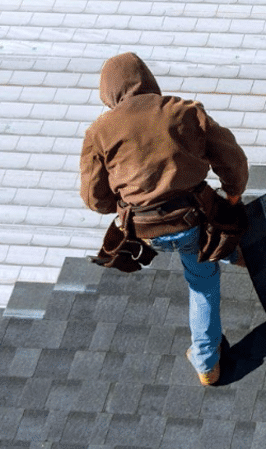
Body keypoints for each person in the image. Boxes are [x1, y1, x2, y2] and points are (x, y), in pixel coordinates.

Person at [79, 52, 249, 386]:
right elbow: (233, 160)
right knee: (202, 282)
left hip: (146, 231)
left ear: (109, 93)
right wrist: (232, 195)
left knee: (201, 248)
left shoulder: (99, 132)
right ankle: (206, 364)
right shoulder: (183, 111)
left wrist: (134, 203)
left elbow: (95, 199)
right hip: (193, 221)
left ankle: (232, 252)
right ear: (147, 80)